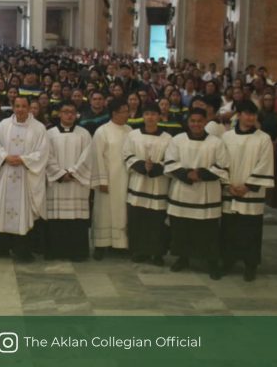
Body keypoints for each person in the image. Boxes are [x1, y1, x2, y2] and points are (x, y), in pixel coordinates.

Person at [165, 108, 229, 280]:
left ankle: (211, 262)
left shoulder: (216, 142)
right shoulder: (178, 140)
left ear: (205, 122)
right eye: (192, 121)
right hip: (182, 191)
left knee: (207, 231)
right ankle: (183, 258)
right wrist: (187, 175)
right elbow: (170, 163)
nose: (196, 124)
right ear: (188, 122)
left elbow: (222, 166)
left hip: (206, 193)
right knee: (181, 228)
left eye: (199, 121)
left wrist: (199, 174)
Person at [0, 95, 48, 262]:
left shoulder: (39, 128)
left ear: (29, 108)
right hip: (6, 174)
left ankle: (23, 250)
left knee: (24, 211)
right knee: (3, 210)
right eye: (17, 106)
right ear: (12, 107)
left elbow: (43, 152)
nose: (20, 109)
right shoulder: (3, 125)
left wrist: (23, 159)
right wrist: (5, 157)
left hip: (26, 177)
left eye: (24, 106)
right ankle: (2, 248)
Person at [220, 101, 275, 281]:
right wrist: (228, 184)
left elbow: (265, 164)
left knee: (250, 230)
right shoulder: (227, 137)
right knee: (229, 229)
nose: (250, 117)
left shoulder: (263, 138)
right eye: (246, 113)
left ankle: (250, 265)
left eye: (253, 114)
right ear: (239, 115)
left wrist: (248, 186)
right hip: (231, 190)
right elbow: (221, 161)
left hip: (251, 192)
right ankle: (228, 260)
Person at [41, 100, 93, 261]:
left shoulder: (84, 134)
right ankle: (55, 251)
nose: (69, 115)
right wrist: (59, 174)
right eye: (65, 111)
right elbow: (46, 156)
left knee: (76, 220)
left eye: (72, 112)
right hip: (57, 183)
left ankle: (77, 252)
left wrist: (72, 172)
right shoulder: (49, 134)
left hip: (76, 183)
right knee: (56, 219)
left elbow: (88, 157)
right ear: (59, 114)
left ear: (76, 115)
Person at [122, 102, 172, 265]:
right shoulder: (133, 135)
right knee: (139, 219)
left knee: (156, 221)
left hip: (159, 184)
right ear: (142, 116)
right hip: (139, 183)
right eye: (147, 114)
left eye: (153, 114)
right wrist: (143, 166)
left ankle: (157, 253)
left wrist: (156, 167)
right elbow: (127, 155)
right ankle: (140, 251)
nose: (150, 117)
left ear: (160, 116)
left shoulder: (168, 138)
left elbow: (172, 160)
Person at [90, 98, 132, 259]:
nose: (127, 114)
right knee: (104, 212)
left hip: (125, 178)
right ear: (114, 113)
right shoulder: (103, 131)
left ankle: (120, 244)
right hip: (107, 179)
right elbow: (97, 157)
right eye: (125, 111)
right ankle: (101, 245)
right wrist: (101, 180)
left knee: (122, 212)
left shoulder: (130, 130)